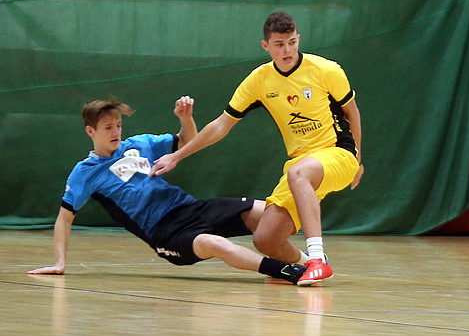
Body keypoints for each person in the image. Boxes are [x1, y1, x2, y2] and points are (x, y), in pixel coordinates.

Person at [150, 12, 364, 285]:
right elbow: (221, 125)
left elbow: (352, 112)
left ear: (298, 39)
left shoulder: (326, 70)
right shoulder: (260, 80)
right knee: (266, 240)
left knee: (298, 173)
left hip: (338, 154)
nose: (287, 50)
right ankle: (305, 266)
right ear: (266, 46)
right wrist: (177, 155)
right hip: (301, 164)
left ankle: (317, 260)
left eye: (291, 42)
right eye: (279, 44)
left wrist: (358, 159)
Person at [28, 96, 308, 285]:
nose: (115, 132)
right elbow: (64, 219)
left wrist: (186, 118)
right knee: (217, 245)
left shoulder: (139, 144)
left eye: (118, 125)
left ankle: (313, 263)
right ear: (90, 131)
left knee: (267, 210)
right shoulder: (85, 172)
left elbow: (187, 140)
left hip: (189, 208)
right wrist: (59, 263)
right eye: (107, 128)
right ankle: (287, 271)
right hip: (166, 233)